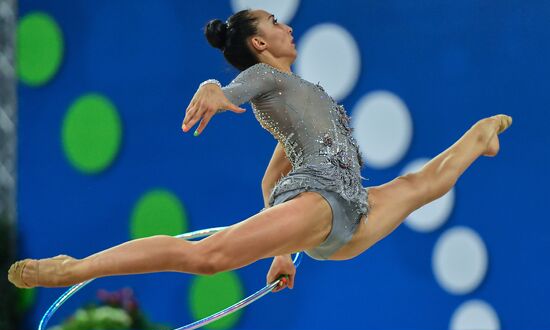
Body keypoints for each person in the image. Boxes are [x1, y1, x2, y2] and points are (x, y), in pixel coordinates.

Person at [8, 9, 512, 293]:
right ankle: (76, 268)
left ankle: (481, 133)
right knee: (206, 256)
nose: (285, 25)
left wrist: (281, 255)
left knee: (418, 186)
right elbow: (230, 93)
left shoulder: (302, 96)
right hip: (320, 204)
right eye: (274, 21)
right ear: (259, 43)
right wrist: (212, 87)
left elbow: (272, 182)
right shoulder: (265, 77)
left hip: (347, 216)